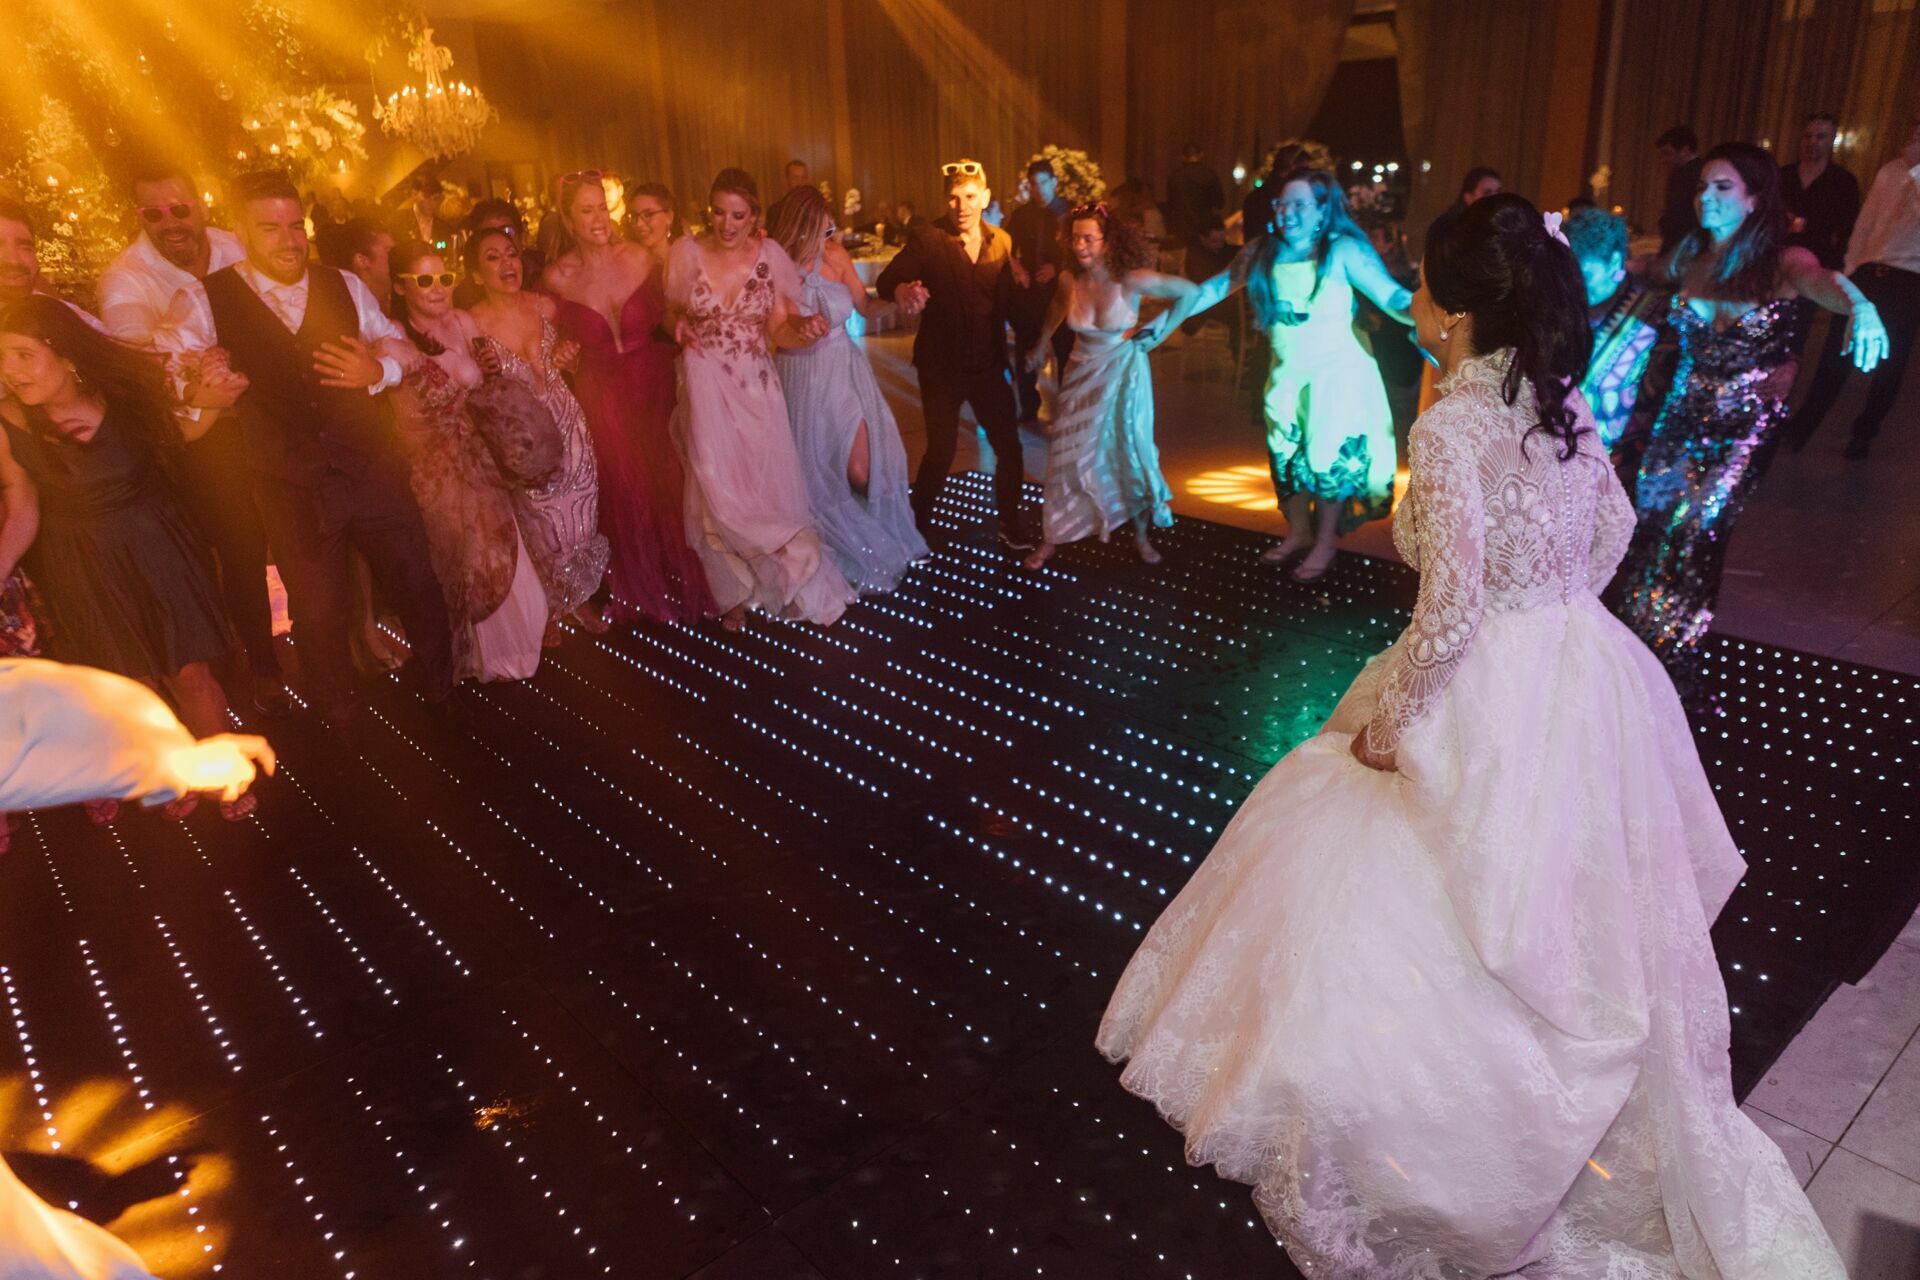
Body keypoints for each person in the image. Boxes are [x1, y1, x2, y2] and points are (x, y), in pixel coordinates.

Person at [1098, 190, 1849, 1280]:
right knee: (1567, 903)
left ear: (1454, 315)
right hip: (1582, 669)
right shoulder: (1566, 403)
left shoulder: (1451, 423)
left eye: (1421, 286)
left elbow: (1446, 614)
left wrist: (1389, 732)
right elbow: (1618, 530)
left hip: (1485, 672)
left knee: (1406, 884)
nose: (1407, 297)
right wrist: (1554, 613)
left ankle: (1444, 1139)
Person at [156, 170, 462, 733]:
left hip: (369, 467)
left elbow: (400, 348)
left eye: (296, 225)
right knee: (317, 613)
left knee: (417, 581)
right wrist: (203, 387)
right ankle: (338, 717)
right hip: (288, 482)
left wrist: (380, 369)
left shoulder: (342, 282)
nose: (289, 240)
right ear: (242, 231)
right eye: (270, 228)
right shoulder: (204, 298)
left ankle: (443, 690)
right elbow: (169, 373)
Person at [1617, 142, 1888, 706]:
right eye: (1702, 187)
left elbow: (1827, 282)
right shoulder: (1690, 256)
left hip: (1743, 424)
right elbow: (1639, 270)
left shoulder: (1784, 262)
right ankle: (1630, 658)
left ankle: (1673, 671)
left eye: (1722, 187)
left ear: (1753, 198)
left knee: (1697, 534)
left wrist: (1860, 304)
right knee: (1648, 530)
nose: (1706, 198)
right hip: (1679, 415)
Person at [0, 296, 259, 820]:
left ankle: (220, 773)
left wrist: (209, 403)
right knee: (133, 683)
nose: (10, 370)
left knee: (190, 674)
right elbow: (22, 505)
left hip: (157, 546)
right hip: (83, 562)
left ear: (65, 354)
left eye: (24, 355)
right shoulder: (7, 421)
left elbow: (181, 433)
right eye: (2, 357)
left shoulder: (125, 395)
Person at [95, 161, 290, 715]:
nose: (169, 222)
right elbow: (137, 368)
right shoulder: (126, 278)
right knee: (238, 545)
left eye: (179, 209)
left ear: (200, 205)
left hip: (266, 415)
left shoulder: (236, 247)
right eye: (152, 213)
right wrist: (199, 381)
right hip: (199, 437)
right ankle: (259, 662)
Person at [1186, 168, 1413, 581]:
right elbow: (1210, 290)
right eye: (1282, 203)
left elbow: (1392, 296)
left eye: (1298, 204)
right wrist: (1158, 323)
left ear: (1323, 208)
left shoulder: (1342, 250)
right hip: (1288, 372)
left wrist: (1434, 314)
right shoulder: (1262, 252)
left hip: (1339, 371)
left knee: (1327, 457)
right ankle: (1298, 534)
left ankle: (1325, 542)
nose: (1287, 212)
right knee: (1286, 455)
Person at [665, 168, 852, 629]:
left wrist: (803, 331)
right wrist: (677, 326)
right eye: (718, 213)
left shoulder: (770, 258)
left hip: (757, 387)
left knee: (762, 489)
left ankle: (782, 576)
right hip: (705, 381)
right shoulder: (686, 253)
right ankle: (733, 595)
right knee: (715, 489)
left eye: (738, 215)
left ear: (755, 217)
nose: (726, 225)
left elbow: (780, 330)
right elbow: (670, 308)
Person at [542, 171, 716, 624]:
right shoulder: (557, 278)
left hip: (652, 384)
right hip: (603, 394)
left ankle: (687, 578)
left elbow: (667, 314)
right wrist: (561, 352)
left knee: (670, 484)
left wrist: (677, 325)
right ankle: (644, 588)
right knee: (628, 489)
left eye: (602, 206)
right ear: (567, 218)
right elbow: (548, 344)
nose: (599, 218)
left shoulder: (639, 256)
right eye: (586, 210)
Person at [390, 242, 547, 680]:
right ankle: (467, 655)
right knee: (459, 561)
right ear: (401, 287)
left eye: (444, 278)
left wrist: (491, 367)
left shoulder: (462, 321)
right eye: (424, 280)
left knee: (504, 554)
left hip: (480, 460)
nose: (438, 289)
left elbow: (485, 381)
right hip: (436, 468)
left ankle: (514, 644)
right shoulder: (394, 337)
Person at [1020, 204, 1200, 570]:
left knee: (1128, 449)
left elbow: (1190, 292)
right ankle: (1051, 537)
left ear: (1108, 240)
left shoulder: (1132, 279)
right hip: (1080, 374)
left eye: (1089, 238)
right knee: (1066, 455)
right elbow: (1057, 305)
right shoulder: (1070, 280)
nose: (1081, 246)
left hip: (1122, 372)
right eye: (1075, 238)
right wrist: (1041, 341)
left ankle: (1140, 536)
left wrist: (1160, 333)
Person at [767, 185, 927, 594]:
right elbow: (778, 332)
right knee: (819, 473)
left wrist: (900, 299)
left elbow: (866, 306)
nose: (828, 240)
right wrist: (801, 329)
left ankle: (868, 535)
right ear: (798, 228)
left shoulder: (836, 256)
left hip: (846, 371)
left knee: (861, 469)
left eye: (830, 230)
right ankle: (837, 544)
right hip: (802, 377)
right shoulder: (773, 265)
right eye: (821, 231)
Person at [876, 160, 1038, 550]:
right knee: (942, 449)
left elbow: (1007, 302)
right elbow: (886, 280)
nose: (960, 206)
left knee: (1009, 447)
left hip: (986, 365)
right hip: (941, 367)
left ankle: (1010, 523)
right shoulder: (927, 238)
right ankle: (915, 526)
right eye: (952, 198)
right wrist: (901, 293)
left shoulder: (1001, 241)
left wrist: (1040, 337)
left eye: (968, 197)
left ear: (984, 197)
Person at [465, 226, 612, 642]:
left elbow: (576, 353)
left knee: (579, 517)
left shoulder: (545, 305)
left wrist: (570, 355)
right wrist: (482, 373)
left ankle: (578, 599)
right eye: (492, 258)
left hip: (570, 423)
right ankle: (546, 608)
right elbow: (466, 384)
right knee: (538, 525)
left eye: (510, 254)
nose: (505, 264)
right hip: (524, 442)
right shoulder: (473, 323)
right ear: (476, 273)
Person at [1784, 107, 1920, 459]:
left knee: (1890, 363)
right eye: (1914, 130)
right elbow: (1865, 225)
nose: (1914, 138)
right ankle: (1800, 429)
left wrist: (1918, 169)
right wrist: (1849, 268)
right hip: (1867, 271)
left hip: (1908, 280)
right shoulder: (1890, 171)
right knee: (1835, 355)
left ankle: (1864, 433)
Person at [1566, 206, 1658, 457]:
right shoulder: (1560, 307)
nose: (1576, 286)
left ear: (1615, 262)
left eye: (1586, 275)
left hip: (1619, 463)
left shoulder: (1651, 318)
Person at [1007, 159, 1073, 423]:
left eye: (1044, 183)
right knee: (1026, 347)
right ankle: (1029, 406)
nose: (1039, 190)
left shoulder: (1068, 212)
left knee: (1064, 351)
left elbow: (1078, 252)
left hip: (1060, 292)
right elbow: (1005, 247)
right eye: (1034, 184)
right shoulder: (1022, 214)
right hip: (1030, 292)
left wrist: (1056, 269)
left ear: (1054, 183)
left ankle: (1068, 410)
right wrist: (1017, 269)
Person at [1780, 111, 1862, 272]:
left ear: (1832, 140)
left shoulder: (1843, 181)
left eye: (1820, 137)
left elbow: (1848, 230)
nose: (1812, 142)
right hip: (1779, 256)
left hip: (1818, 263)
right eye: (1808, 136)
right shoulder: (1783, 175)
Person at [452, 198, 546, 307]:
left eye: (507, 231)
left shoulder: (543, 275)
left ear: (523, 238)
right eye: (489, 233)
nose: (500, 238)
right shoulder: (465, 297)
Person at [314, 217, 396, 311]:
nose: (397, 258)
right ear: (362, 260)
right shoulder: (346, 314)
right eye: (389, 252)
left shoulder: (397, 303)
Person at [1424, 165, 1502, 253]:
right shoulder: (1451, 232)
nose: (1495, 197)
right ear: (1469, 197)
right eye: (1487, 193)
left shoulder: (1501, 229)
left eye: (1498, 192)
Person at [1166, 142, 1226, 251]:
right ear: (1201, 154)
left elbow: (1171, 205)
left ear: (1183, 156)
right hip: (1204, 228)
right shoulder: (1209, 174)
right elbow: (1220, 202)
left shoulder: (1175, 176)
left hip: (1181, 227)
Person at [1655, 124, 1705, 254]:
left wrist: (1664, 222)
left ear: (1685, 150)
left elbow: (1678, 214)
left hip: (1683, 245)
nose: (1663, 160)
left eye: (1667, 153)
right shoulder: (1695, 170)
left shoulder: (1690, 174)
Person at [393, 172, 454, 253]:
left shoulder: (444, 227)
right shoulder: (399, 221)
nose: (432, 203)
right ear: (414, 194)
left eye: (435, 199)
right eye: (427, 197)